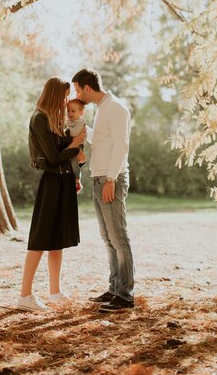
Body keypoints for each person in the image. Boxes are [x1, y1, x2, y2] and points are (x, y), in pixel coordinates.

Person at [17, 77, 86, 312]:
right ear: (56, 95)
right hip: (51, 184)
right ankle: (25, 296)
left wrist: (75, 171)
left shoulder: (53, 119)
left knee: (57, 241)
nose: (67, 101)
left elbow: (61, 150)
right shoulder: (39, 118)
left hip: (64, 181)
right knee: (40, 239)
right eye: (65, 96)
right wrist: (76, 144)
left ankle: (55, 292)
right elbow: (54, 158)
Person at [72, 68, 135, 311]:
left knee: (119, 238)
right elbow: (99, 142)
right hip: (98, 179)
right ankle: (114, 289)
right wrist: (79, 129)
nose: (78, 95)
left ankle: (126, 296)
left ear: (88, 88)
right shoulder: (101, 110)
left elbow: (122, 146)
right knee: (108, 239)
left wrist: (111, 178)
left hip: (112, 179)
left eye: (78, 90)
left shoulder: (116, 107)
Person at [66, 98, 87, 193]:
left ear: (81, 113)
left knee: (74, 162)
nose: (70, 113)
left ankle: (77, 181)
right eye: (68, 111)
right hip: (72, 145)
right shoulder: (69, 122)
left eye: (73, 111)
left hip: (78, 147)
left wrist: (65, 130)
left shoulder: (81, 122)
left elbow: (74, 132)